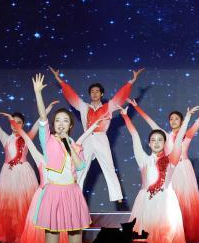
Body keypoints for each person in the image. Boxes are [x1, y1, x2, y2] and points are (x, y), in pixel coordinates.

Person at [25, 72, 110, 243]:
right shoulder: (47, 140)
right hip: (54, 194)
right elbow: (42, 117)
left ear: (71, 125)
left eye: (65, 121)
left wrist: (70, 146)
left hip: (72, 194)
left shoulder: (73, 143)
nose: (60, 124)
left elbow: (80, 166)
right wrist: (38, 93)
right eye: (58, 121)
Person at [129, 94, 199, 243]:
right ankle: (173, 234)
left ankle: (187, 234)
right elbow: (150, 121)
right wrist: (136, 107)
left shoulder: (186, 135)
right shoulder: (165, 136)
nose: (173, 121)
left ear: (181, 121)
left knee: (187, 204)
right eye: (171, 119)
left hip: (184, 170)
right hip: (170, 171)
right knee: (173, 203)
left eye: (176, 119)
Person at [120, 104, 199, 243]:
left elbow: (179, 140)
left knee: (167, 236)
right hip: (146, 202)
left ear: (165, 143)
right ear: (149, 143)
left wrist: (187, 117)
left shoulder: (172, 159)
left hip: (166, 202)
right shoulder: (143, 159)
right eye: (153, 140)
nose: (157, 143)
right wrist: (125, 116)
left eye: (160, 140)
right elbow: (134, 135)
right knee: (145, 236)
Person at [49, 67, 141, 204]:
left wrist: (131, 81)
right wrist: (60, 80)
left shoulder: (108, 106)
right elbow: (71, 95)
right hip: (87, 138)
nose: (94, 93)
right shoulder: (84, 106)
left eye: (97, 91)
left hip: (101, 138)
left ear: (101, 93)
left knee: (109, 166)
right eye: (92, 91)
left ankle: (117, 195)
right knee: (80, 167)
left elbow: (119, 97)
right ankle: (76, 194)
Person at [0, 96, 40, 243]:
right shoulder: (5, 138)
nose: (15, 124)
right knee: (7, 205)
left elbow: (38, 124)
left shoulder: (27, 137)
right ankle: (4, 235)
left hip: (24, 173)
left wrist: (47, 109)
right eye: (13, 122)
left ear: (23, 124)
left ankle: (24, 235)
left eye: (19, 122)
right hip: (8, 173)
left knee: (23, 205)